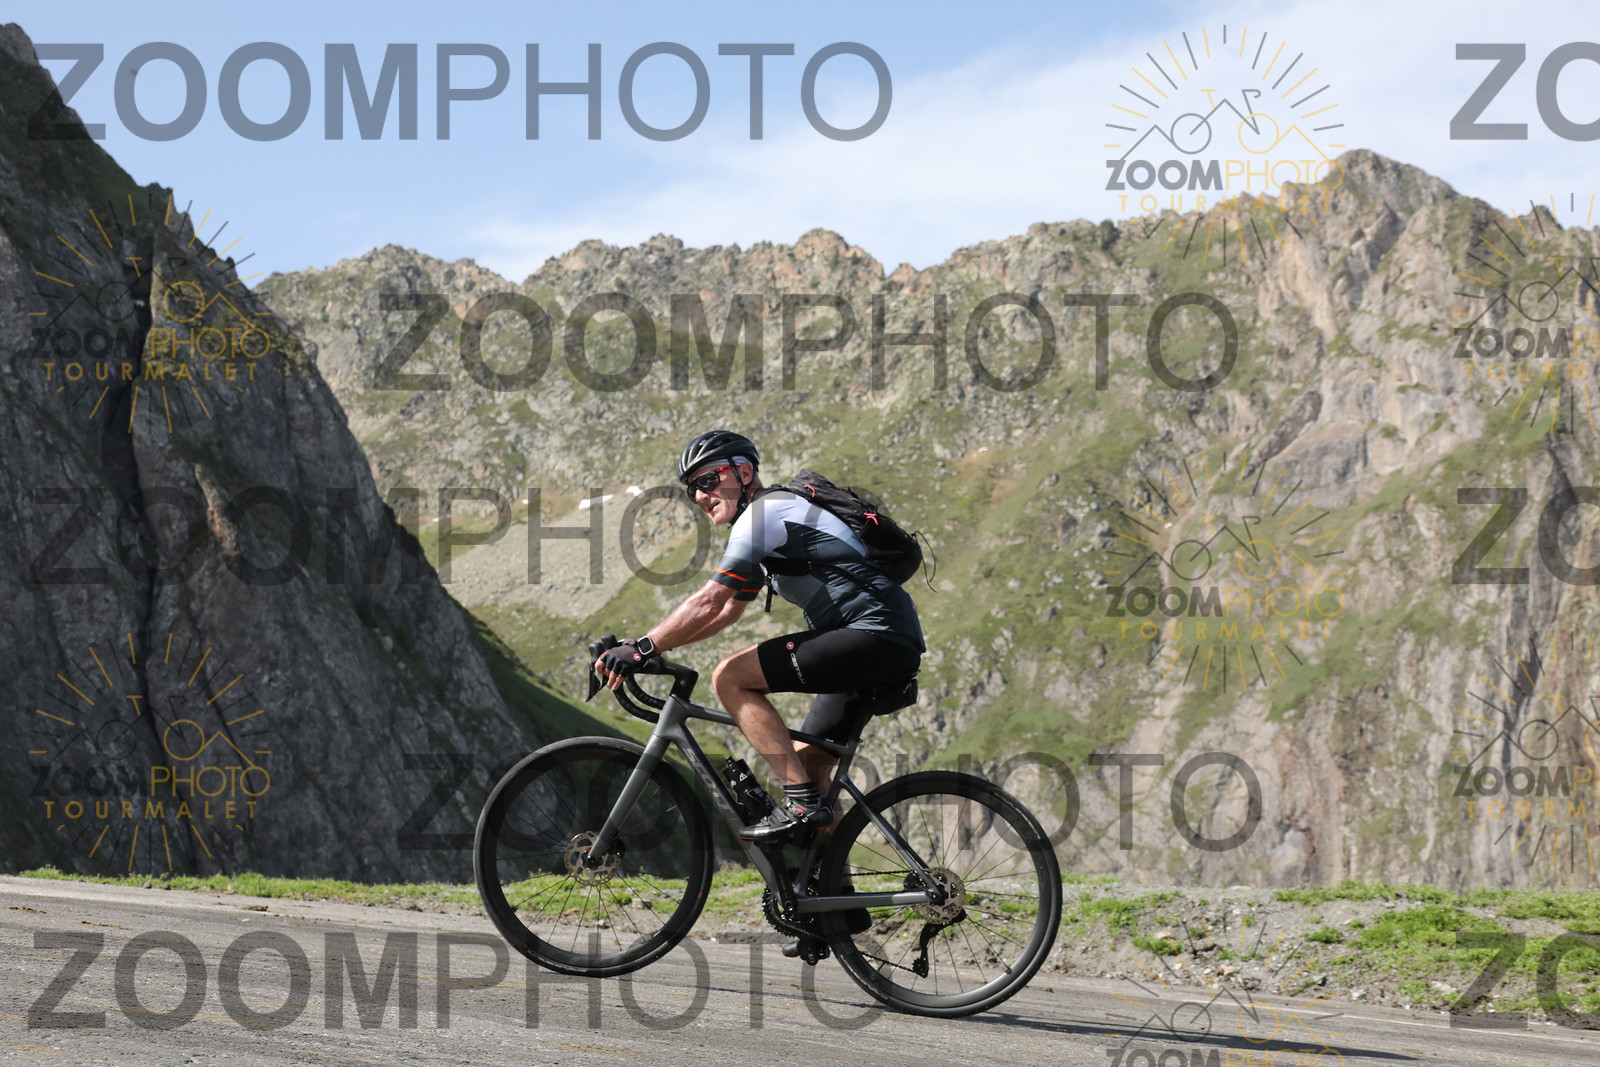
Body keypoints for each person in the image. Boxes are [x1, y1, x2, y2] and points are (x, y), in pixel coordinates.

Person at [592, 429, 925, 841]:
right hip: (883, 638)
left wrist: (643, 647)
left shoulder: (765, 514)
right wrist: (647, 648)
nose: (701, 496)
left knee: (730, 677)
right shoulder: (769, 524)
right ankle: (832, 881)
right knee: (810, 770)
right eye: (693, 490)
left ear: (745, 472)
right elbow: (727, 612)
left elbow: (709, 601)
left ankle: (800, 803)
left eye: (708, 480)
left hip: (871, 632)